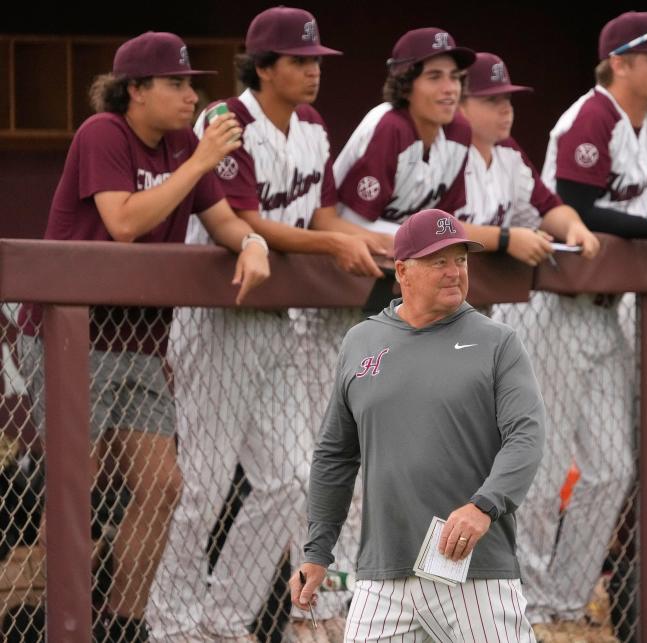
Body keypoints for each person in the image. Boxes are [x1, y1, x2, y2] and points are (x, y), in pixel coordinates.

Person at [14, 31, 270, 642]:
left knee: (163, 486)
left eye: (191, 82)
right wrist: (201, 162)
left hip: (139, 340)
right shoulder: (103, 132)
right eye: (176, 83)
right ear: (136, 90)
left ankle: (125, 627)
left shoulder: (185, 144)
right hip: (71, 331)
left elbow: (223, 220)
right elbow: (123, 222)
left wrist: (253, 241)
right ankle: (39, 616)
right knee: (81, 481)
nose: (190, 95)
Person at [146, 8, 386, 642]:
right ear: (263, 66)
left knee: (288, 481)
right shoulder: (224, 119)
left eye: (316, 62)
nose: (312, 72)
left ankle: (225, 621)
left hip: (277, 319)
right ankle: (172, 625)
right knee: (204, 483)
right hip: (219, 314)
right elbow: (247, 218)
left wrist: (373, 243)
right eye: (300, 61)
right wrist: (330, 248)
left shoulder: (310, 125)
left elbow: (325, 214)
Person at [497, 12, 647, 641]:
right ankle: (525, 603)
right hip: (551, 313)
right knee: (541, 474)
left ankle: (566, 600)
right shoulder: (590, 117)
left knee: (611, 470)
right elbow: (574, 203)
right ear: (619, 63)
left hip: (606, 317)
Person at [289, 208, 546, 642]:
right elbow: (334, 457)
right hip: (382, 575)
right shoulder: (360, 342)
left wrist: (485, 505)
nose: (454, 272)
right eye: (438, 261)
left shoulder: (498, 343)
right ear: (402, 271)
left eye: (461, 260)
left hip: (475, 573)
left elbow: (526, 437)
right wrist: (317, 552)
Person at [453, 52, 599, 263]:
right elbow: (435, 227)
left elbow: (548, 208)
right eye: (492, 100)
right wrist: (506, 239)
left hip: (491, 288)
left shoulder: (508, 150)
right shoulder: (445, 149)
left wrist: (574, 226)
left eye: (507, 98)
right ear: (460, 105)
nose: (506, 109)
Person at [333, 27, 476, 235]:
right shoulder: (389, 127)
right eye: (434, 77)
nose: (450, 88)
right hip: (340, 251)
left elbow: (444, 220)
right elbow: (351, 221)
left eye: (454, 77)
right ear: (405, 85)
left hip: (397, 250)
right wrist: (425, 240)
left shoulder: (459, 131)